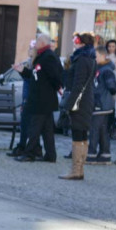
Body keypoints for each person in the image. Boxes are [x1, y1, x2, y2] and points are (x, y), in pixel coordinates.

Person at [16, 33, 63, 163]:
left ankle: (29, 153)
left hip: (43, 99)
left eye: (37, 41)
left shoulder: (48, 57)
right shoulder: (42, 56)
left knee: (35, 127)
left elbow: (55, 76)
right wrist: (22, 71)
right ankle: (50, 154)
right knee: (47, 129)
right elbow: (35, 74)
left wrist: (57, 87)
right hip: (40, 98)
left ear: (42, 43)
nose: (35, 43)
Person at [59, 32, 96, 179]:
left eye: (76, 41)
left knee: (77, 134)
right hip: (86, 100)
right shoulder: (91, 59)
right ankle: (79, 169)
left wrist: (68, 105)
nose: (74, 44)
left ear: (82, 44)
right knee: (82, 135)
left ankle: (76, 170)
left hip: (79, 102)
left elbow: (78, 84)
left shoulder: (81, 60)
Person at [88, 46, 116, 164]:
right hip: (101, 103)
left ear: (102, 56)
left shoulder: (106, 70)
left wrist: (101, 95)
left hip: (101, 104)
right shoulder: (99, 68)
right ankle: (105, 154)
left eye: (95, 56)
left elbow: (113, 87)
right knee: (102, 130)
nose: (93, 58)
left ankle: (91, 154)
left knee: (95, 129)